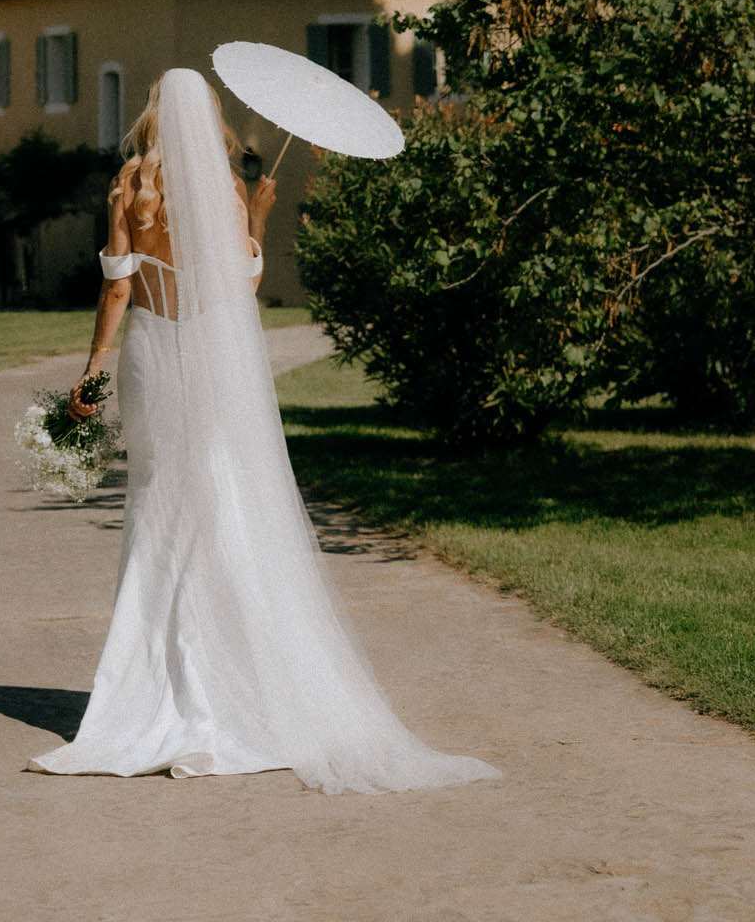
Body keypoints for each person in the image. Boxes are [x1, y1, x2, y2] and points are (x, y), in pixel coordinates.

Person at [26, 66, 500, 795]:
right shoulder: (222, 183)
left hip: (153, 349)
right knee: (223, 498)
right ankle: (237, 679)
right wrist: (259, 217)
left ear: (153, 113)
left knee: (158, 506)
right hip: (214, 354)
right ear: (209, 115)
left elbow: (118, 281)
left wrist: (91, 368)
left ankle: (160, 685)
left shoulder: (130, 179)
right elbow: (241, 284)